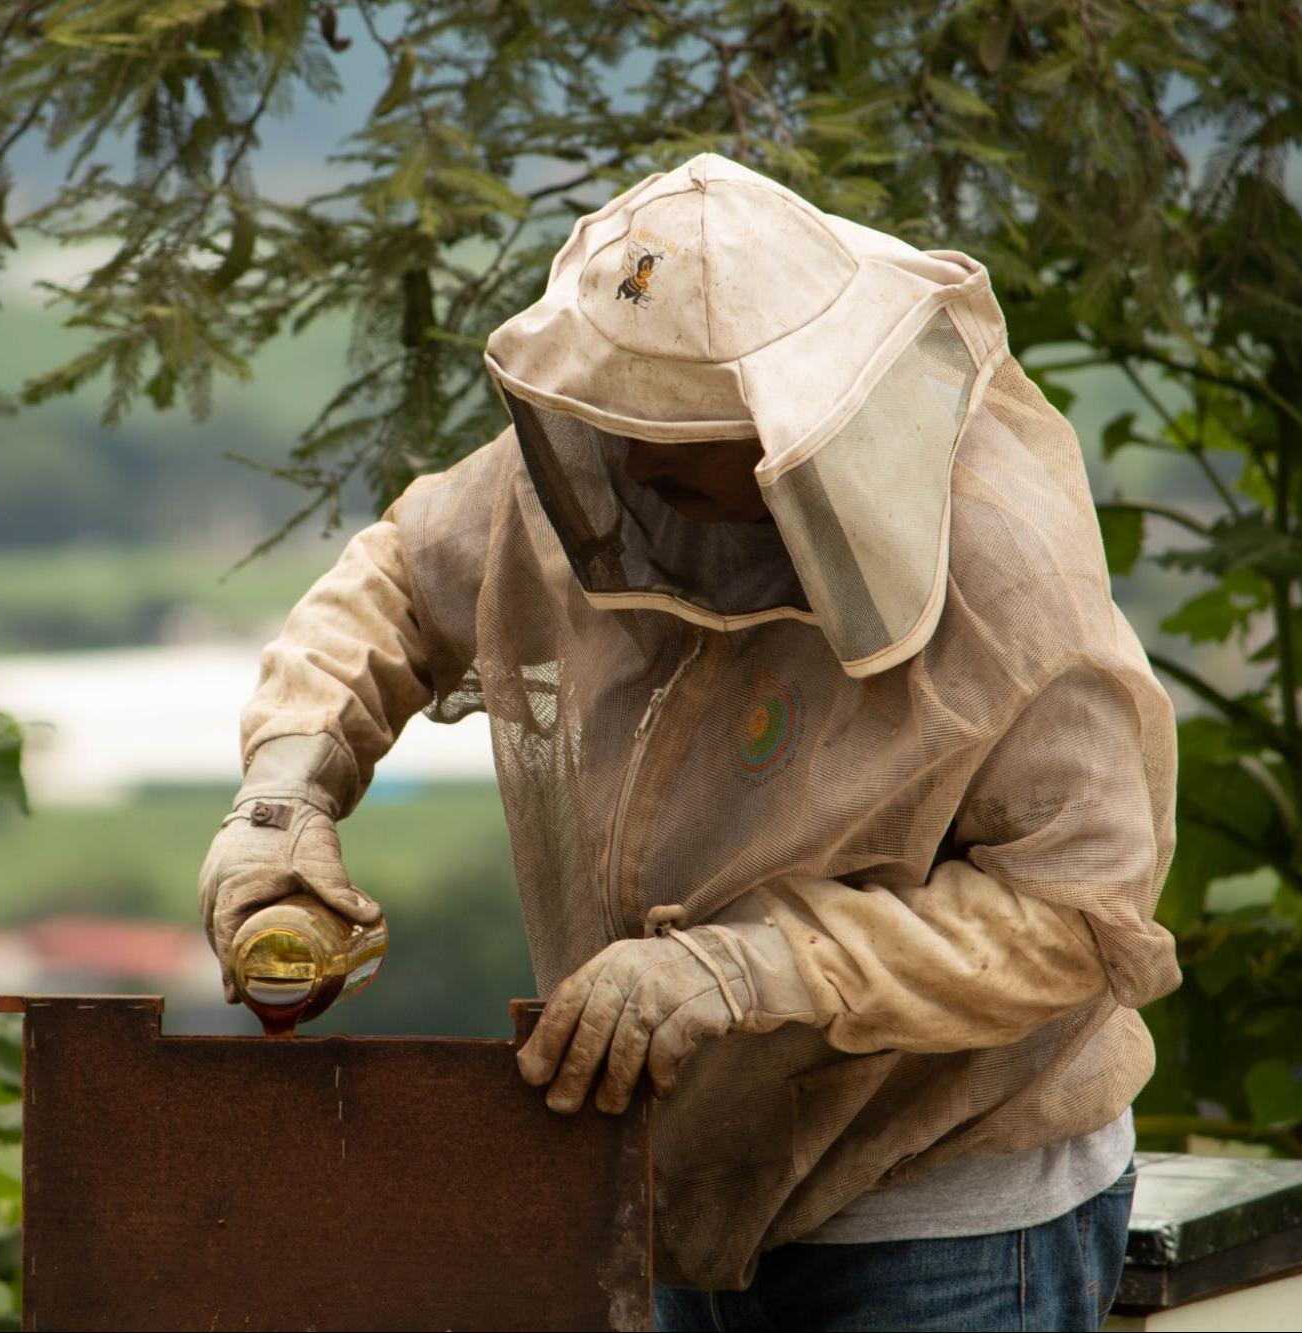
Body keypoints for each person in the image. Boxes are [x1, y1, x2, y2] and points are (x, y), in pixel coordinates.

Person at [197, 153, 1178, 1332]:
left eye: (673, 429)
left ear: (793, 412)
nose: (630, 458)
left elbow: (1077, 916)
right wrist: (280, 802)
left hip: (939, 1203)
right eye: (611, 420)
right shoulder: (607, 463)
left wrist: (743, 966)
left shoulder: (1004, 568)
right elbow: (400, 580)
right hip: (668, 1166)